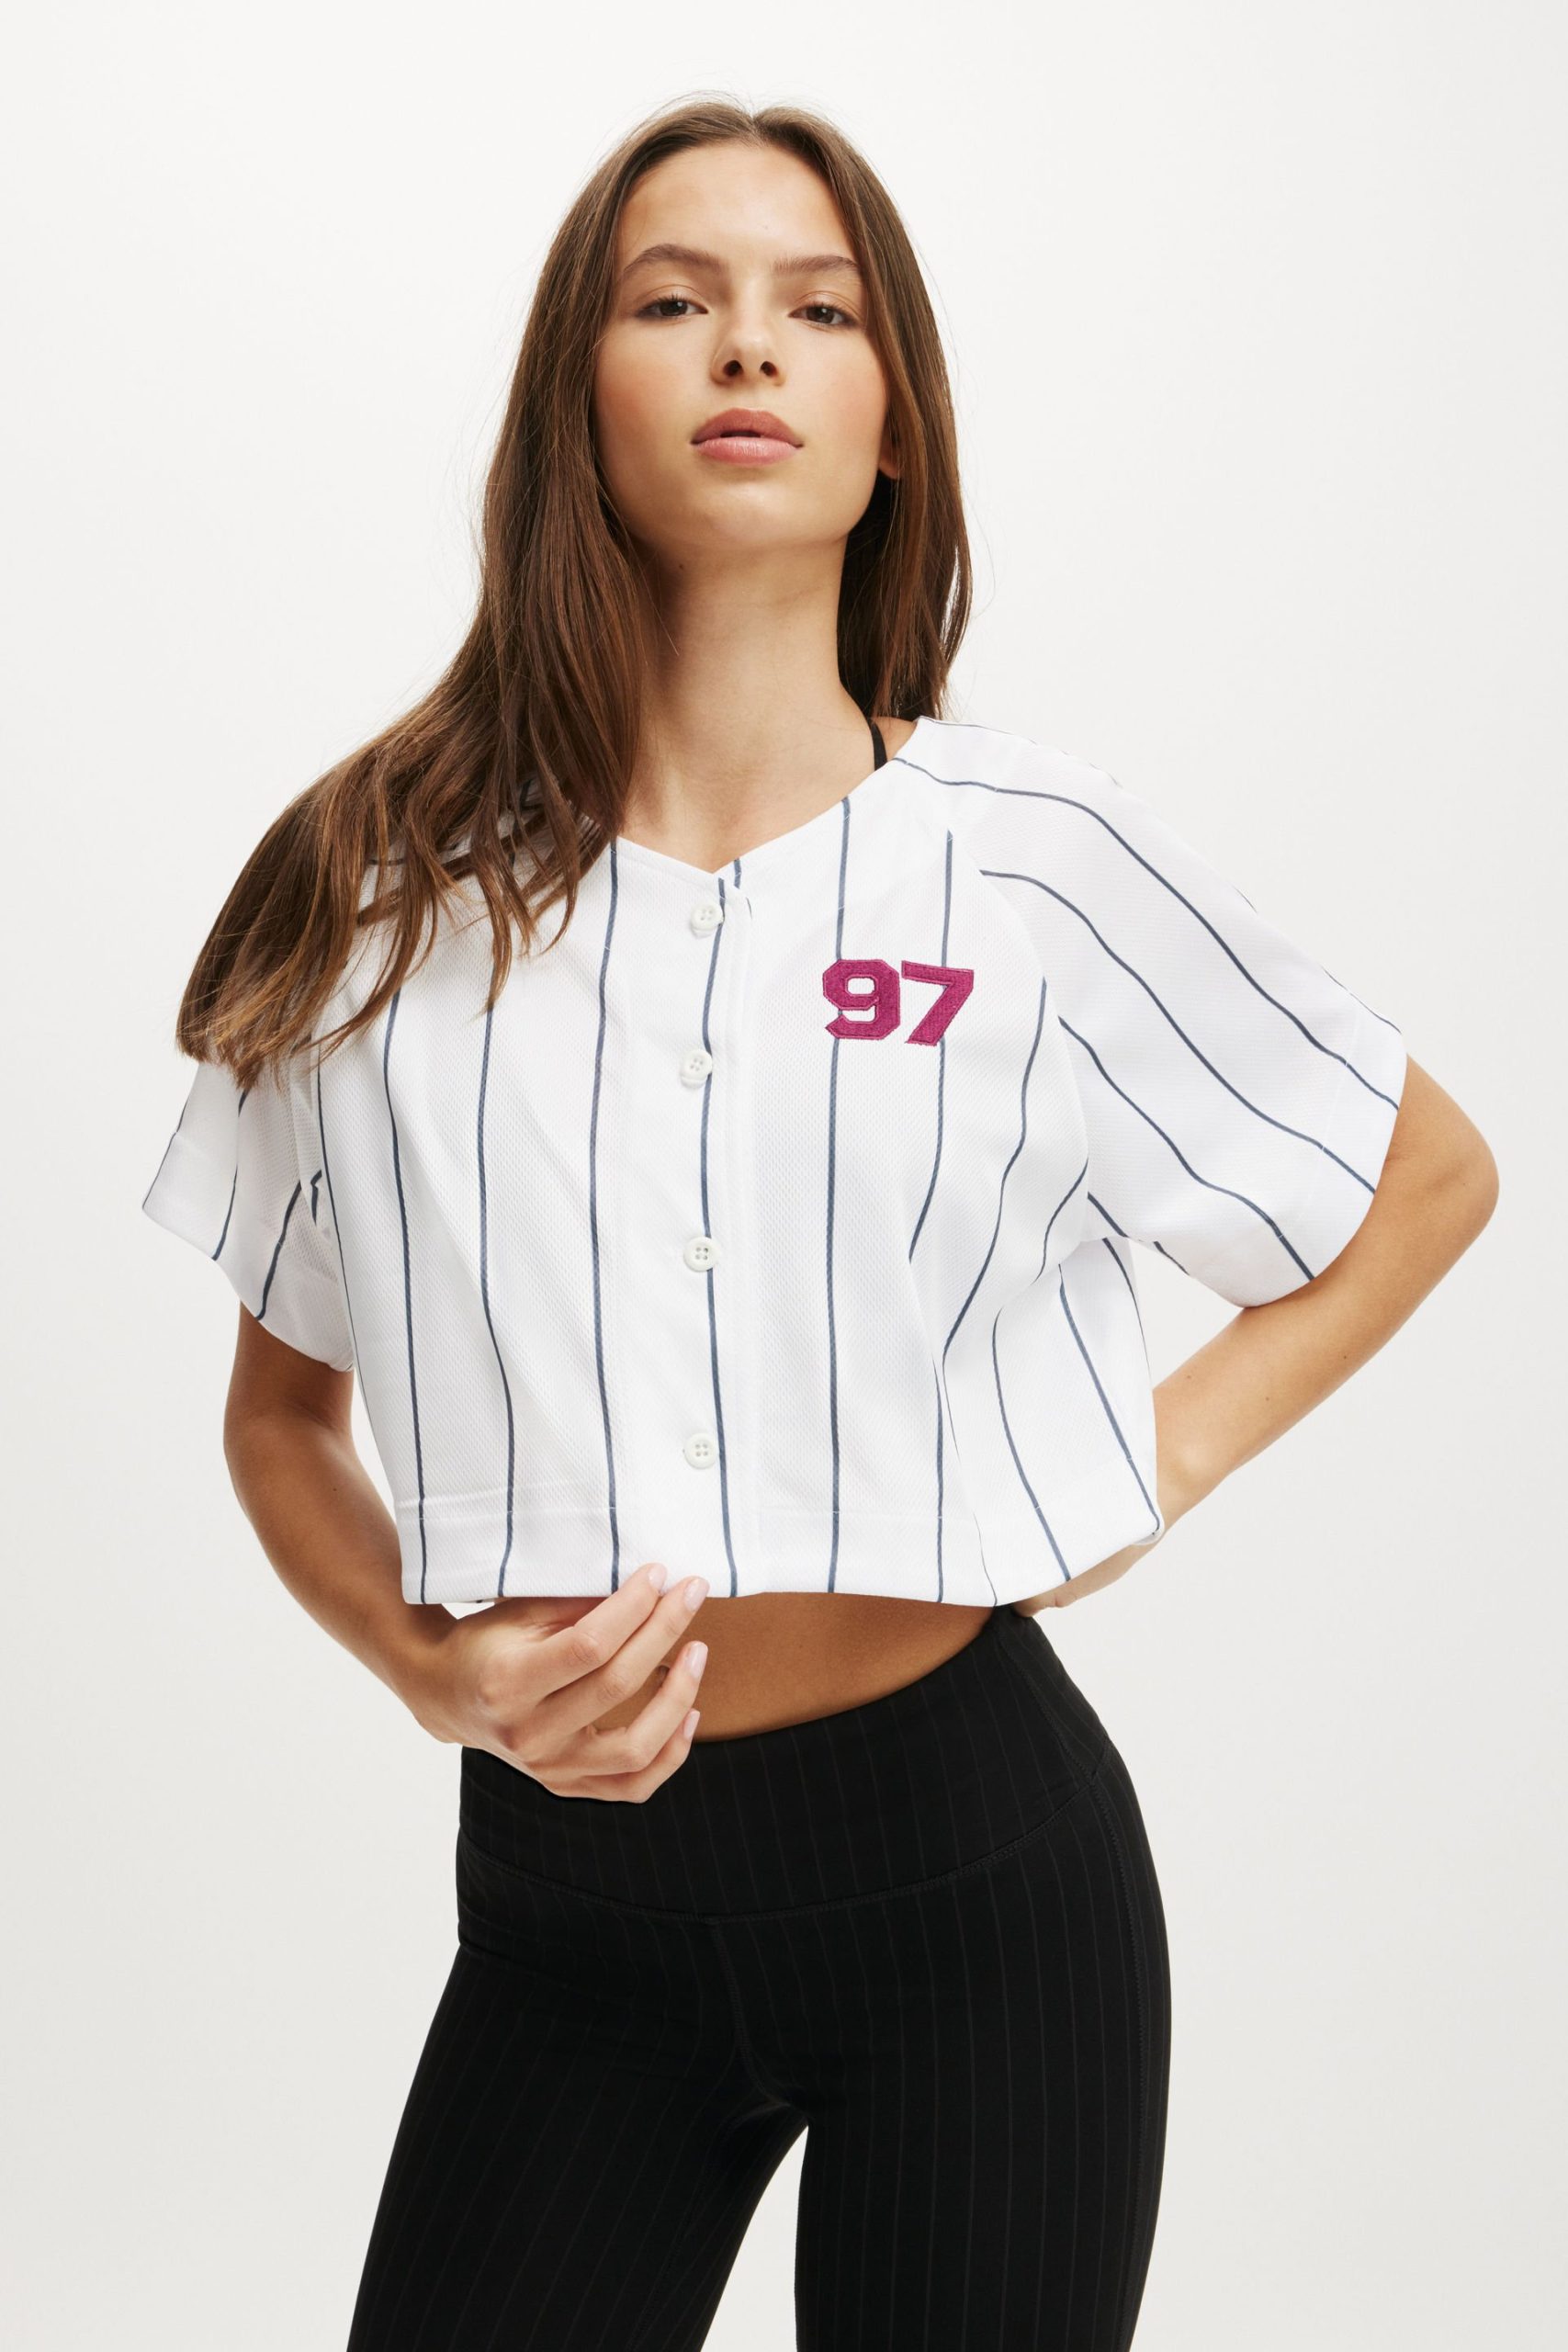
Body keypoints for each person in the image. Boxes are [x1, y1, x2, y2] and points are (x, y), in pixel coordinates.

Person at [139, 97, 1497, 2352]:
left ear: (891, 427)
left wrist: (1135, 1465)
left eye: (818, 310)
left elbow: (1421, 1174)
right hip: (565, 1909)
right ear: (576, 397)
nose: (746, 348)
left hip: (980, 1879)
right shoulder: (376, 884)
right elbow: (281, 1412)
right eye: (672, 300)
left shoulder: (1028, 859)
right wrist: (426, 1665)